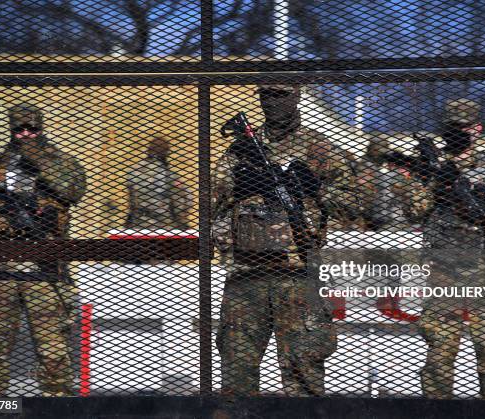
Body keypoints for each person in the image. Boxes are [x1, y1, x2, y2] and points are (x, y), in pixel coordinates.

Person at [212, 84, 358, 396]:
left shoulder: (319, 148)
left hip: (297, 272)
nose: (273, 102)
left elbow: (354, 204)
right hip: (246, 272)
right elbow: (212, 205)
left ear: (297, 97)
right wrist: (239, 188)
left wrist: (315, 188)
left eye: (281, 95)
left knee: (303, 367)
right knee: (237, 369)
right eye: (266, 95)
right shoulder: (239, 150)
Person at [0, 103, 87, 397]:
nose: (27, 134)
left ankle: (57, 406)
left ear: (41, 128)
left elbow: (75, 190)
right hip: (0, 265)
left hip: (44, 266)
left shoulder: (60, 161)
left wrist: (40, 165)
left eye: (33, 128)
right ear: (11, 129)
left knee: (52, 347)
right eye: (20, 129)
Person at [418, 99, 485, 400]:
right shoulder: (431, 167)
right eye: (453, 128)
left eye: (465, 127)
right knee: (439, 353)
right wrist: (437, 185)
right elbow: (412, 209)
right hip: (443, 268)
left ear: (478, 129)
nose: (459, 133)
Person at [125, 136, 192, 231]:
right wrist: (183, 225)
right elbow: (181, 203)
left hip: (138, 227)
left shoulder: (132, 173)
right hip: (165, 228)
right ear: (165, 153)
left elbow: (132, 203)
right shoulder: (169, 175)